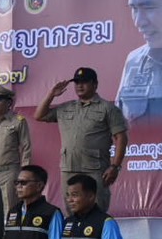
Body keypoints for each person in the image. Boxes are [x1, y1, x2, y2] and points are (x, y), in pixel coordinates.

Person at [35, 67, 128, 212]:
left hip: (95, 169)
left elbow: (121, 138)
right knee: (71, 210)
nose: (79, 86)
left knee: (96, 211)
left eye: (84, 82)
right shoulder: (66, 108)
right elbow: (39, 115)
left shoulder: (107, 108)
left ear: (95, 84)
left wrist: (115, 166)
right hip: (69, 168)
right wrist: (51, 95)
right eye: (77, 82)